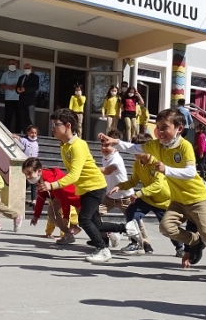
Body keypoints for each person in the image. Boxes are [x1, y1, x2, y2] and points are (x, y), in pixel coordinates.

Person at [98, 108, 206, 285]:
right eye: (158, 128)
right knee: (166, 228)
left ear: (179, 128)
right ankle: (195, 241)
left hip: (197, 198)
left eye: (165, 128)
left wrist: (166, 169)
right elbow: (134, 147)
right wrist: (115, 142)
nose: (161, 132)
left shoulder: (185, 146)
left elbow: (191, 172)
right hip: (177, 199)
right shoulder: (156, 146)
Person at [43, 108, 139, 263]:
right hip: (86, 188)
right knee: (96, 224)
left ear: (68, 125)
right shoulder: (64, 145)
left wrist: (52, 185)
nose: (52, 127)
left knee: (84, 219)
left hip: (94, 187)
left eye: (56, 124)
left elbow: (74, 174)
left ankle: (103, 250)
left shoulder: (78, 145)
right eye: (52, 124)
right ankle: (127, 228)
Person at [115, 133, 175, 256]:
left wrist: (139, 193)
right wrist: (120, 186)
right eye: (133, 147)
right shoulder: (137, 163)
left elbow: (158, 186)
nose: (135, 151)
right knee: (131, 212)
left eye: (138, 148)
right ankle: (135, 243)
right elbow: (133, 181)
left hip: (162, 201)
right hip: (147, 197)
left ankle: (180, 247)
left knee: (168, 228)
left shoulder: (158, 162)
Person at [22, 158, 81, 242]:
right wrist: (36, 215)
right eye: (25, 174)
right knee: (52, 211)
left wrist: (66, 216)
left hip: (75, 196)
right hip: (60, 196)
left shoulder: (51, 179)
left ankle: (102, 235)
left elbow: (64, 198)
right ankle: (68, 234)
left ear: (39, 171)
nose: (27, 177)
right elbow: (41, 197)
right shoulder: (39, 179)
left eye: (29, 173)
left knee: (88, 218)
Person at [98, 129, 138, 248]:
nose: (104, 148)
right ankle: (104, 237)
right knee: (94, 213)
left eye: (108, 145)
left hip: (125, 197)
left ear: (115, 146)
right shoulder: (104, 159)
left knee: (134, 221)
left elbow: (107, 171)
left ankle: (144, 243)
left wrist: (88, 167)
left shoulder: (116, 158)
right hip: (110, 196)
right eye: (102, 145)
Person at [12, 125, 39, 206]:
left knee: (34, 182)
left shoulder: (36, 143)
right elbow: (18, 138)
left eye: (35, 133)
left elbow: (36, 154)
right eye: (31, 133)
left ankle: (34, 199)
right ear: (27, 133)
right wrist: (15, 136)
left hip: (33, 165)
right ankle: (20, 197)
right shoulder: (25, 141)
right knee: (25, 183)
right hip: (26, 165)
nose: (33, 134)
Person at [0, 58, 24, 133]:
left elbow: (24, 84)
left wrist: (16, 86)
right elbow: (1, 84)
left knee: (19, 118)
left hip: (19, 99)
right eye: (10, 64)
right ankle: (6, 133)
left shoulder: (21, 73)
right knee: (8, 118)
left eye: (13, 63)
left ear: (16, 64)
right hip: (8, 99)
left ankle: (18, 134)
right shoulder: (5, 74)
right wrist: (7, 87)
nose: (11, 65)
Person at [16, 63, 39, 130]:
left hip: (30, 102)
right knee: (23, 118)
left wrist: (25, 89)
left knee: (30, 118)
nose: (27, 69)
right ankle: (24, 132)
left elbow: (35, 87)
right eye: (25, 68)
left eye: (28, 68)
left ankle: (32, 133)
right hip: (22, 101)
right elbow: (17, 87)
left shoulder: (35, 77)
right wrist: (18, 90)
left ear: (31, 69)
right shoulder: (21, 78)